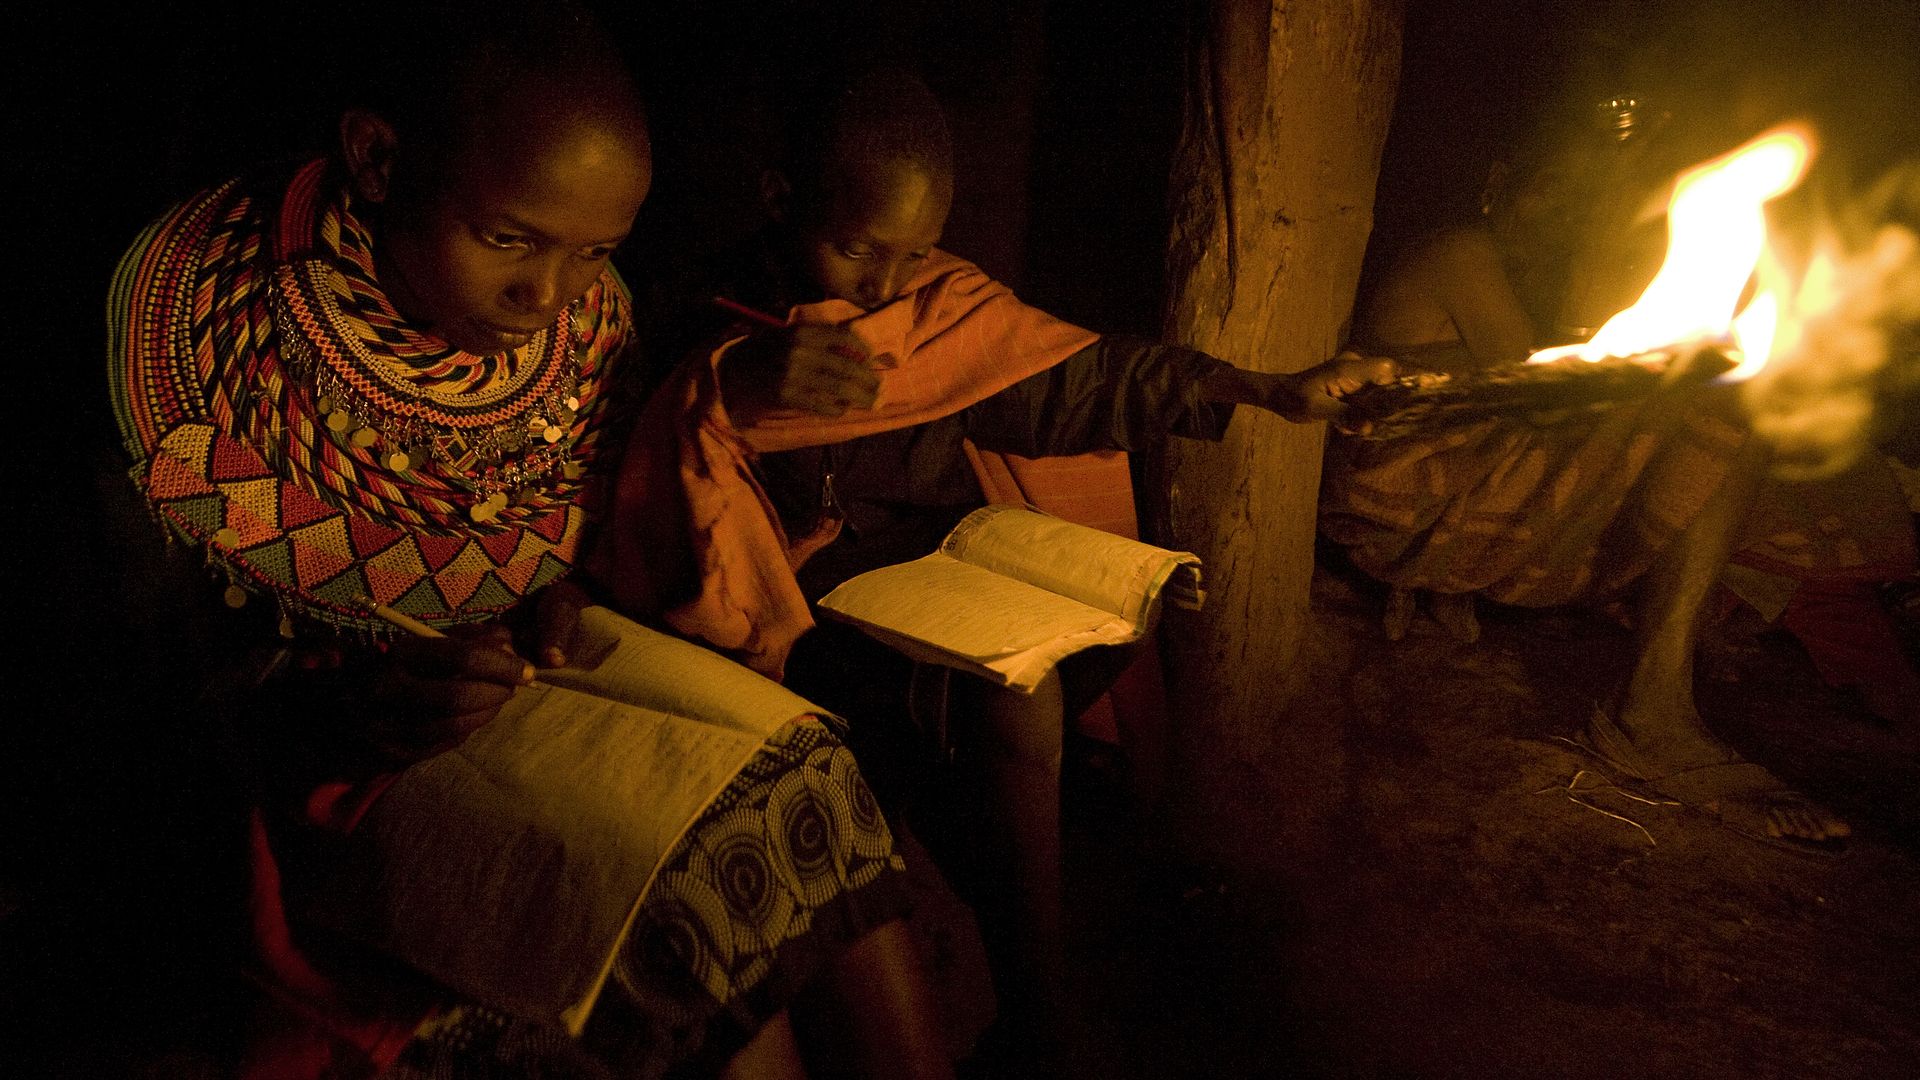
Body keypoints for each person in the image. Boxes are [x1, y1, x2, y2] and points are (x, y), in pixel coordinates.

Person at [99, 7, 951, 1078]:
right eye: (508, 239)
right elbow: (148, 711)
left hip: (524, 688)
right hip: (325, 769)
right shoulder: (205, 357)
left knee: (811, 767)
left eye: (595, 252)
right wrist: (342, 711)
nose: (547, 297)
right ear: (376, 159)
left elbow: (574, 530)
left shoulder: (583, 334)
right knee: (686, 892)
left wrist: (551, 590)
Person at [590, 67, 1394, 1069]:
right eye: (856, 251)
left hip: (931, 586)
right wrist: (732, 382)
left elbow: (1087, 379)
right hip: (787, 614)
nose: (885, 286)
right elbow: (636, 457)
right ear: (780, 200)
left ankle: (1037, 994)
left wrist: (1272, 392)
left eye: (914, 253)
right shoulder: (697, 310)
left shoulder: (938, 311)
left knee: (1023, 694)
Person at [1319, 118, 1900, 854]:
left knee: (1733, 409)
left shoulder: (1520, 269)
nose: (1558, 214)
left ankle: (1671, 670)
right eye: (1547, 192)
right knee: (1722, 414)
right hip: (1401, 508)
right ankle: (1653, 708)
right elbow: (1540, 398)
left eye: (1577, 201)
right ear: (1500, 184)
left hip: (1458, 488)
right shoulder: (1460, 249)